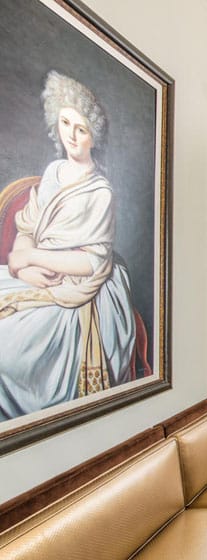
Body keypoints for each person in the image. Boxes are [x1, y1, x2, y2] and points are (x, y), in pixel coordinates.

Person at [0, 71, 136, 421]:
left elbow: (92, 263)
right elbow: (28, 225)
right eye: (65, 123)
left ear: (94, 136)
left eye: (81, 129)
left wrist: (31, 256)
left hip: (79, 289)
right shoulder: (53, 172)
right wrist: (24, 265)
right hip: (35, 275)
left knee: (10, 346)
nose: (72, 136)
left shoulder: (100, 191)